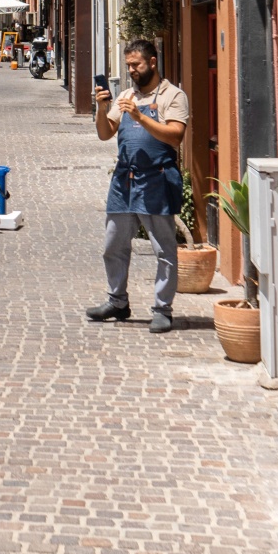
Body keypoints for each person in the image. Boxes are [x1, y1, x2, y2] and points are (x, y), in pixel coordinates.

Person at [87, 39, 190, 334]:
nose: (131, 70)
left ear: (153, 62)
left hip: (157, 179)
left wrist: (140, 116)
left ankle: (162, 309)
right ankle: (117, 301)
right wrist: (101, 107)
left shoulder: (173, 95)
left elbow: (174, 136)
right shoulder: (126, 95)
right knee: (113, 245)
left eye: (137, 65)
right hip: (124, 181)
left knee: (164, 250)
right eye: (128, 65)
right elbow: (106, 134)